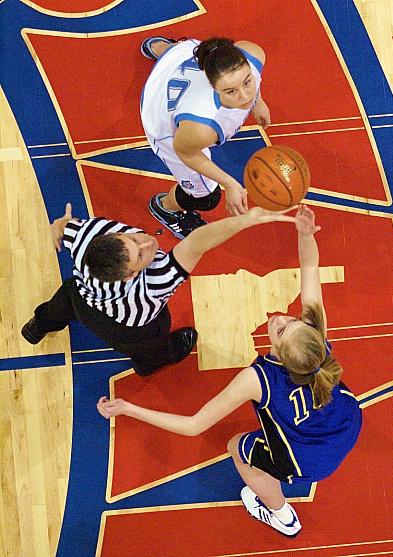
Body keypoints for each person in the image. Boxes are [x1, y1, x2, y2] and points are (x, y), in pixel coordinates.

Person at [97, 205, 362, 536]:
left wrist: (127, 408)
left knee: (238, 447)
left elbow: (194, 426)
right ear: (308, 327)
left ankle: (282, 515)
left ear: (278, 353)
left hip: (307, 458)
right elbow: (310, 264)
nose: (281, 318)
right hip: (346, 424)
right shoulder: (314, 339)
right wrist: (305, 233)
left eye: (280, 330)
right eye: (291, 320)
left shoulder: (257, 379)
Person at [21, 203, 295, 377]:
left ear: (112, 236)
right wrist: (247, 220)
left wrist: (58, 226)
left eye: (133, 239)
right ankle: (148, 364)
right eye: (140, 256)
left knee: (62, 300)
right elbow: (198, 241)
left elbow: (62, 228)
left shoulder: (87, 234)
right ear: (131, 276)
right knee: (154, 340)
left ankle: (36, 327)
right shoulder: (156, 282)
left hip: (82, 297)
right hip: (127, 328)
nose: (148, 244)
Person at [140, 36, 271, 238]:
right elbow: (185, 152)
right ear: (211, 85)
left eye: (247, 82)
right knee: (206, 198)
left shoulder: (252, 53)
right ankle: (165, 207)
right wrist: (231, 184)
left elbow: (253, 77)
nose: (245, 97)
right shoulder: (202, 126)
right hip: (159, 114)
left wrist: (258, 102)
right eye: (231, 91)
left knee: (188, 50)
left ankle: (166, 50)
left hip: (178, 58)